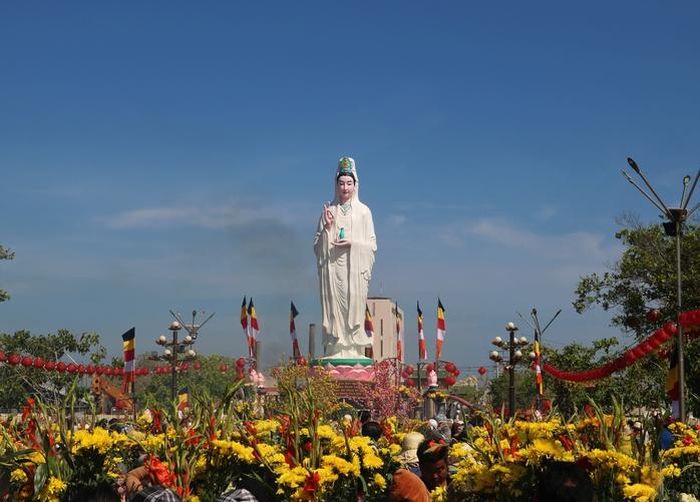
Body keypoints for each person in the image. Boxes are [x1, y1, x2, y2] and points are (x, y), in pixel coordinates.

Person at [314, 156, 377, 359]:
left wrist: (353, 244)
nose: (345, 188)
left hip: (355, 271)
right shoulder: (329, 211)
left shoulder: (364, 212)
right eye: (341, 183)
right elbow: (317, 247)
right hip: (333, 270)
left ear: (355, 185)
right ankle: (336, 346)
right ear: (336, 185)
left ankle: (353, 348)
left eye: (349, 183)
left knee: (353, 305)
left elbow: (372, 246)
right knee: (334, 307)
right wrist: (327, 228)